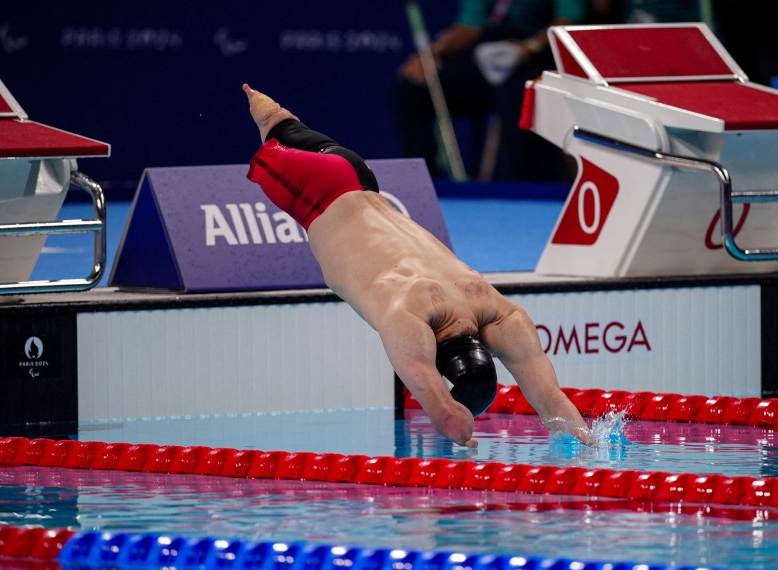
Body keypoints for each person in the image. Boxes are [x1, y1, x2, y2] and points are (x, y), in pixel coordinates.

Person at [242, 84, 596, 448]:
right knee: (268, 132)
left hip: (355, 172)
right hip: (316, 192)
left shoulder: (491, 304)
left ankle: (257, 95)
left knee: (277, 119)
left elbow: (553, 401)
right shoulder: (407, 314)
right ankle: (254, 98)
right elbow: (442, 408)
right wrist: (459, 429)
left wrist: (588, 440)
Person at [392, 0, 587, 182]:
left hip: (541, 57)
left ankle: (515, 190)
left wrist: (530, 47)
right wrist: (433, 54)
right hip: (491, 57)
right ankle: (422, 186)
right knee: (413, 89)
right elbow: (471, 24)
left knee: (519, 95)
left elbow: (569, 20)